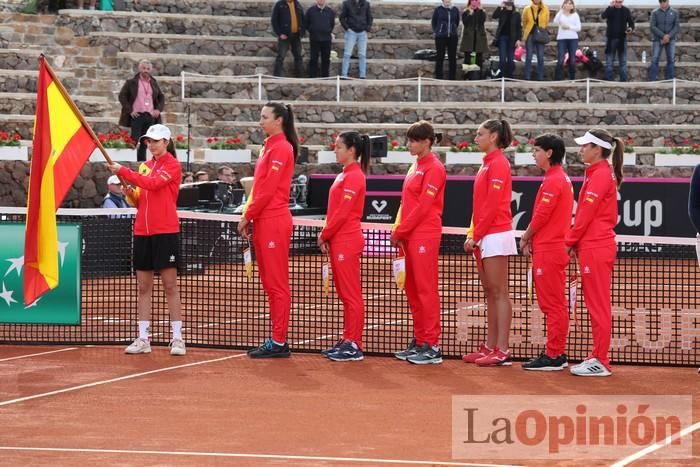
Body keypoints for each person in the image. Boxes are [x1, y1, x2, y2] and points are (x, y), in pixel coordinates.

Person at [106, 124, 185, 356]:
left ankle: (178, 338)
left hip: (166, 230)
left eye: (156, 140)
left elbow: (153, 184)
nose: (151, 144)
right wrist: (129, 190)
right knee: (143, 287)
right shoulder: (144, 166)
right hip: (142, 231)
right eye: (148, 141)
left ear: (166, 142)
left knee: (170, 286)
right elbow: (140, 200)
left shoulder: (172, 165)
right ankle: (143, 338)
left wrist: (123, 171)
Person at [238, 102, 298, 358]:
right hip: (263, 220)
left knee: (276, 284)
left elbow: (267, 189)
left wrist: (247, 215)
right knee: (270, 283)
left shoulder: (282, 147)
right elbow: (259, 188)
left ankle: (279, 340)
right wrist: (250, 216)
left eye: (264, 117)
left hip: (273, 220)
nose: (260, 121)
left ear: (279, 120)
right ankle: (276, 338)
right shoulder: (268, 147)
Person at [565, 128, 624, 377]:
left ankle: (600, 359)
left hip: (596, 247)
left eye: (585, 146)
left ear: (597, 149)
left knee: (598, 305)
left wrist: (569, 241)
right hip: (593, 246)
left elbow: (585, 215)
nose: (581, 150)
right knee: (595, 304)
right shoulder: (597, 173)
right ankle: (597, 356)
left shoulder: (600, 175)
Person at [391, 121, 446, 365]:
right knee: (413, 290)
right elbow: (406, 204)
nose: (410, 144)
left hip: (424, 234)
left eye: (414, 140)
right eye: (409, 140)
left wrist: (401, 230)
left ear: (427, 142)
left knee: (425, 289)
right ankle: (421, 339)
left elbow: (424, 207)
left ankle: (432, 345)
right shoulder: (415, 166)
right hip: (410, 235)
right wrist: (400, 230)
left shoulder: (434, 168)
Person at [463, 119, 517, 367]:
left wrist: (478, 234)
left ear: (493, 137)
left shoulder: (498, 164)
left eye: (480, 134)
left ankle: (502, 349)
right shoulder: (487, 164)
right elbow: (481, 206)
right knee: (489, 292)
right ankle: (491, 345)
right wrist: (473, 233)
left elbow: (494, 205)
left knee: (499, 292)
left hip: (495, 234)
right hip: (485, 234)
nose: (476, 138)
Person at [519, 134, 574, 371]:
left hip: (550, 250)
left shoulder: (554, 180)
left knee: (552, 304)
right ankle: (556, 352)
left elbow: (542, 215)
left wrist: (526, 236)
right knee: (553, 304)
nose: (534, 154)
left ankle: (554, 354)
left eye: (537, 150)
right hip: (550, 247)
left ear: (549, 153)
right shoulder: (555, 178)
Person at [317, 131, 370, 361]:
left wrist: (324, 233)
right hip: (340, 240)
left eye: (339, 147)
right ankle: (347, 338)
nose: (335, 150)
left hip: (346, 240)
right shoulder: (345, 174)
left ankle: (354, 343)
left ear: (351, 150)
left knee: (351, 294)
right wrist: (329, 236)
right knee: (345, 294)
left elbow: (342, 213)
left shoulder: (355, 176)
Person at [118, 59, 165, 162]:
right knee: (134, 139)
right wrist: (130, 110)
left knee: (145, 140)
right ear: (139, 69)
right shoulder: (132, 82)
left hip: (150, 115)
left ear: (151, 70)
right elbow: (122, 96)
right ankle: (131, 160)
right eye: (143, 68)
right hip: (137, 115)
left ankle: (141, 161)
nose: (146, 70)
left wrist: (158, 110)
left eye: (148, 69)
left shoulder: (153, 82)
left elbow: (161, 97)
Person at [602, 0, 634, 82]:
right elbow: (603, 16)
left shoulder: (626, 10)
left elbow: (631, 24)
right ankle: (608, 80)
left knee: (623, 61)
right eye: (616, 1)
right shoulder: (610, 9)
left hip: (622, 39)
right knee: (609, 61)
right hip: (610, 39)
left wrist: (630, 29)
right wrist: (610, 7)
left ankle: (623, 80)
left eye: (620, 2)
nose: (618, 3)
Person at [271, 0, 305, 78]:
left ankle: (300, 77)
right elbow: (274, 20)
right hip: (284, 36)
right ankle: (276, 77)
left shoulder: (297, 4)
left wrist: (302, 32)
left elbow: (303, 19)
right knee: (280, 57)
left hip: (296, 35)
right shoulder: (279, 4)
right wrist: (279, 34)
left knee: (298, 57)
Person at [340, 0, 373, 79]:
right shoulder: (346, 3)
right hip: (351, 32)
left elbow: (370, 17)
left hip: (362, 33)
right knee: (347, 54)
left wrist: (367, 29)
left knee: (362, 55)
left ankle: (362, 76)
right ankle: (344, 75)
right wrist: (347, 28)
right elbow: (342, 18)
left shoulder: (366, 4)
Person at [648, 0, 680, 81]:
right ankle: (652, 80)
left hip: (671, 39)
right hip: (657, 39)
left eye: (664, 1)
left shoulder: (674, 12)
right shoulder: (654, 12)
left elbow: (676, 26)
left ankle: (669, 80)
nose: (663, 3)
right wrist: (663, 36)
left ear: (668, 1)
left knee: (671, 59)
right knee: (655, 59)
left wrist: (668, 36)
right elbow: (652, 26)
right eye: (661, 2)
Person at [304, 0, 336, 78]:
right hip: (314, 38)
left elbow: (332, 24)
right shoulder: (311, 10)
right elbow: (306, 23)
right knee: (313, 59)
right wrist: (312, 30)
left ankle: (325, 77)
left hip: (326, 39)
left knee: (326, 59)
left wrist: (327, 31)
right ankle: (312, 77)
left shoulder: (330, 11)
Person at [493, 1, 522, 79]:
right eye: (507, 3)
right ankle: (501, 76)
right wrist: (500, 7)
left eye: (509, 3)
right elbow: (494, 16)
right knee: (502, 58)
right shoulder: (502, 12)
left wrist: (519, 39)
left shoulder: (516, 14)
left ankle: (509, 75)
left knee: (510, 59)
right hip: (502, 38)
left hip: (512, 39)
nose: (508, 5)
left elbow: (519, 28)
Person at [431, 0, 460, 80]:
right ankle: (439, 77)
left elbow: (457, 22)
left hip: (453, 37)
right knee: (440, 56)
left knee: (452, 57)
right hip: (440, 37)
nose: (447, 1)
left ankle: (452, 77)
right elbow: (434, 22)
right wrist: (439, 31)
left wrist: (452, 30)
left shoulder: (455, 10)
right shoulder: (438, 10)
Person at [522, 0, 550, 81]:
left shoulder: (545, 9)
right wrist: (526, 31)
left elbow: (546, 21)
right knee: (529, 56)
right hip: (530, 34)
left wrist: (541, 28)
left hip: (540, 34)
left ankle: (540, 77)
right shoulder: (527, 9)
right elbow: (524, 22)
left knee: (540, 57)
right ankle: (527, 76)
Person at [460, 0, 488, 79]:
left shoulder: (481, 12)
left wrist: (480, 11)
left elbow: (482, 21)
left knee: (479, 59)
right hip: (469, 39)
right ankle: (467, 75)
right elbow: (465, 22)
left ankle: (477, 76)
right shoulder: (466, 12)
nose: (474, 4)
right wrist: (470, 14)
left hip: (479, 39)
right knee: (467, 59)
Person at [554, 0, 581, 80]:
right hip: (561, 39)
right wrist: (561, 11)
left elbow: (578, 28)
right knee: (561, 59)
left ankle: (572, 79)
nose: (568, 5)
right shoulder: (560, 14)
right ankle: (557, 79)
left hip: (573, 39)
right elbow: (555, 21)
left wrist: (569, 27)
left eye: (570, 3)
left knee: (572, 60)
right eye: (566, 3)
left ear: (572, 6)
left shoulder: (575, 15)